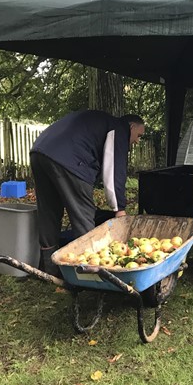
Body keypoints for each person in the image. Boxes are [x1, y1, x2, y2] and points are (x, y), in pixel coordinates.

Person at [30, 110, 145, 276]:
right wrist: (119, 209)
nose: (137, 141)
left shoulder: (97, 122)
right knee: (83, 214)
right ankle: (87, 272)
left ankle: (49, 269)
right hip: (70, 160)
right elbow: (113, 173)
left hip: (39, 152)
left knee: (48, 212)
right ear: (131, 126)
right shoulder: (119, 128)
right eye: (139, 135)